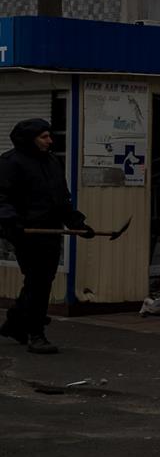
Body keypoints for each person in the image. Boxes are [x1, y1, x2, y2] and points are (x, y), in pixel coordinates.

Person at [0, 118, 88, 354]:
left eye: (50, 135)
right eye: (44, 136)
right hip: (26, 232)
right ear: (30, 139)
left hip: (50, 230)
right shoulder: (11, 162)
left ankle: (15, 323)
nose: (50, 140)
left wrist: (76, 222)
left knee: (39, 280)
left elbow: (61, 197)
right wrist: (11, 221)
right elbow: (2, 197)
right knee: (39, 282)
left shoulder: (51, 161)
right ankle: (35, 333)